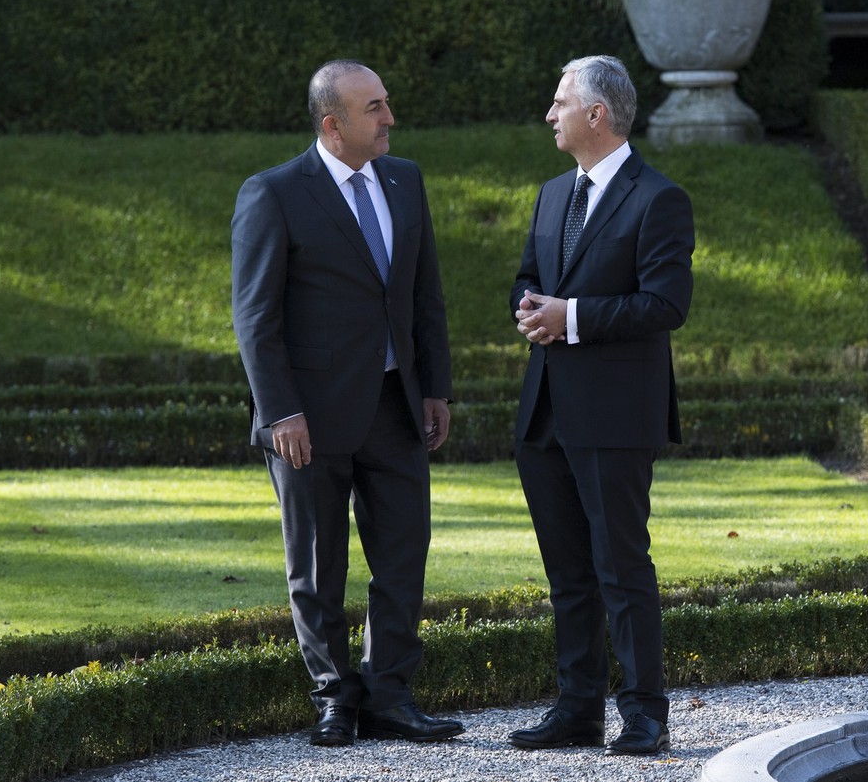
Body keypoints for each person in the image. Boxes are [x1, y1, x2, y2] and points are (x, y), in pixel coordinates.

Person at [231, 60, 462, 748]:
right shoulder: (273, 193)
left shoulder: (406, 179)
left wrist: (434, 386)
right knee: (317, 563)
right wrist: (280, 413)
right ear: (333, 123)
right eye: (375, 107)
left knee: (403, 557)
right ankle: (335, 697)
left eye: (387, 102)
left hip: (396, 409)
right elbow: (255, 317)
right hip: (308, 420)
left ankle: (391, 695)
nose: (389, 116)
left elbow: (425, 295)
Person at [507, 55, 695, 756]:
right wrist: (530, 308)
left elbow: (665, 303)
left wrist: (572, 317)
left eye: (560, 102)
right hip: (546, 412)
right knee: (567, 574)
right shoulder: (554, 193)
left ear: (597, 114)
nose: (549, 114)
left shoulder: (658, 198)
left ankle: (646, 714)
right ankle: (578, 709)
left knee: (621, 566)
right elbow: (530, 275)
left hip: (616, 415)